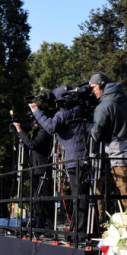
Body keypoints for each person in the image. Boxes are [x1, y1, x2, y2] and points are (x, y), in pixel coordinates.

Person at [29, 84, 92, 237]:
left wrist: (36, 112)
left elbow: (50, 127)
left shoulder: (63, 114)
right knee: (84, 196)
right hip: (86, 158)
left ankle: (80, 232)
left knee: (79, 197)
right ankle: (84, 228)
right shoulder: (79, 110)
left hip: (73, 161)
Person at [88, 72, 127, 214]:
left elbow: (96, 135)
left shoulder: (103, 107)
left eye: (94, 87)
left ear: (102, 86)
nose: (92, 92)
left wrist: (90, 127)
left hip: (121, 158)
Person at [14, 120, 52, 230]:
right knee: (36, 200)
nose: (33, 124)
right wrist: (20, 131)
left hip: (43, 169)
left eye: (35, 122)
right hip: (35, 170)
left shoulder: (44, 131)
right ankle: (39, 227)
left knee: (45, 199)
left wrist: (21, 130)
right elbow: (28, 144)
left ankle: (50, 227)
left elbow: (32, 144)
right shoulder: (36, 132)